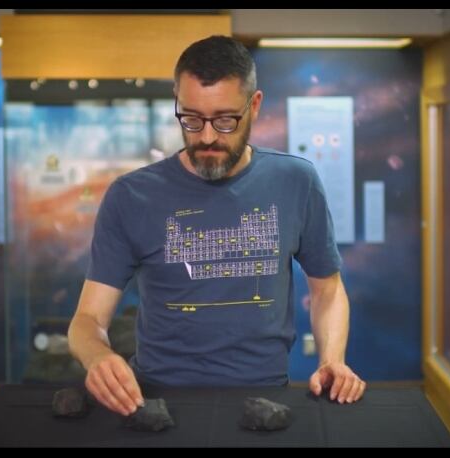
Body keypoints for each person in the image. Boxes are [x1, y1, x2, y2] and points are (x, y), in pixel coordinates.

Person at [68, 35, 365, 416]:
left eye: (225, 120)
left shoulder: (296, 180)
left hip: (265, 397)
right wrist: (98, 357)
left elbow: (328, 290)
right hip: (156, 400)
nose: (207, 136)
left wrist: (332, 359)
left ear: (254, 106)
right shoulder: (130, 196)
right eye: (191, 119)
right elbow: (87, 320)